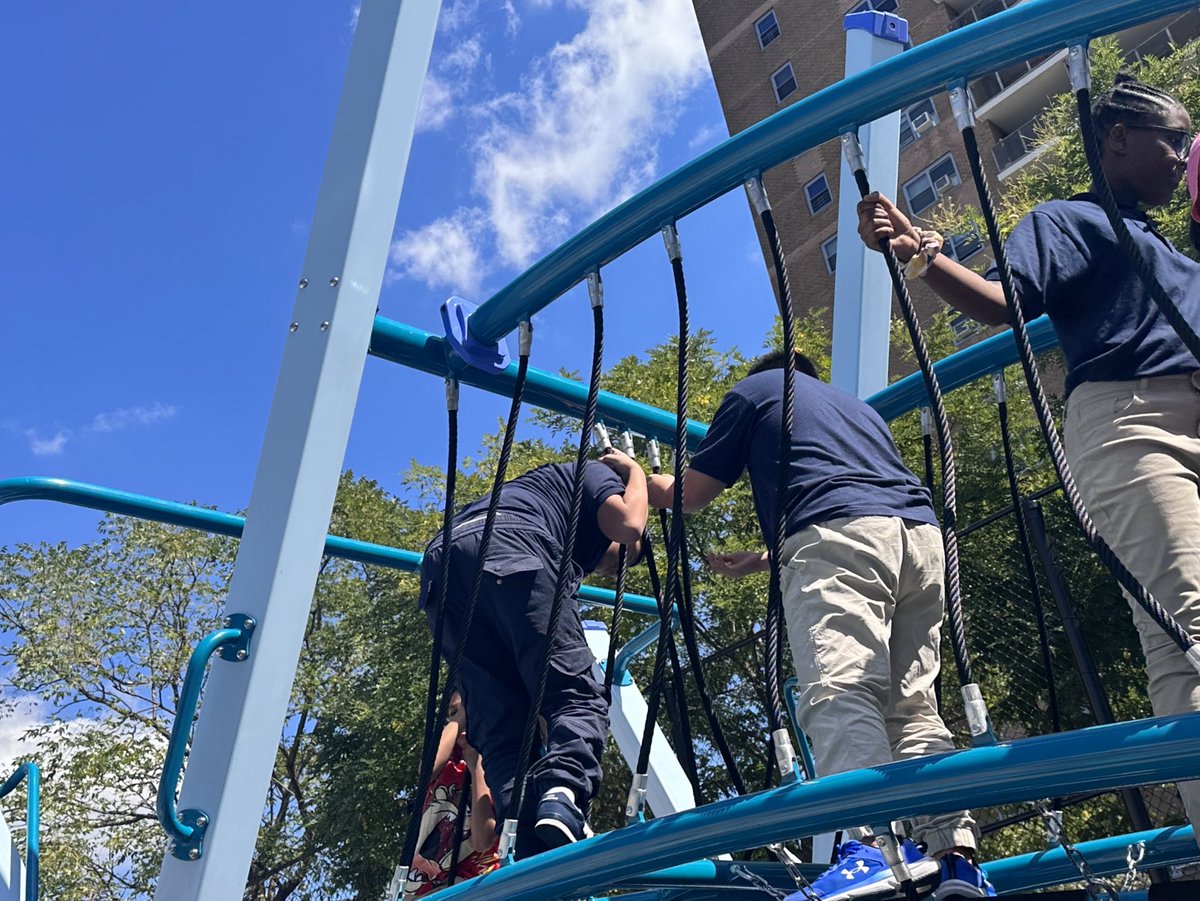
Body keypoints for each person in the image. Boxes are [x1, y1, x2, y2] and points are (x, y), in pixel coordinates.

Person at [858, 73, 1200, 845]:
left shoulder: (1162, 243)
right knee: (1189, 627)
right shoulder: (1068, 220)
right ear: (1117, 138)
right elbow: (1004, 301)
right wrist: (917, 251)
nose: (1184, 155)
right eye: (1173, 138)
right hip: (1134, 421)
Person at [647, 349, 993, 900]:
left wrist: (632, 479)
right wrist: (764, 558)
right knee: (911, 707)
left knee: (840, 691)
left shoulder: (756, 391)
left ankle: (874, 847)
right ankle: (956, 857)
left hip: (837, 539)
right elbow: (858, 501)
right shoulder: (855, 410)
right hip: (920, 542)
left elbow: (689, 493)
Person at [419, 450, 647, 857]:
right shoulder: (590, 472)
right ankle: (563, 792)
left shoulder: (532, 494)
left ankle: (523, 832)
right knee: (574, 694)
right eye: (619, 562)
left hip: (442, 570)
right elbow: (630, 524)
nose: (613, 568)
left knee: (502, 724)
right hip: (511, 549)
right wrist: (636, 471)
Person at [403, 691, 499, 899]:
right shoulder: (449, 762)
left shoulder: (497, 764)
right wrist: (460, 718)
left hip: (473, 886)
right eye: (453, 713)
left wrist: (476, 766)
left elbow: (483, 840)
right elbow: (426, 771)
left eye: (469, 711)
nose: (462, 719)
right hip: (423, 889)